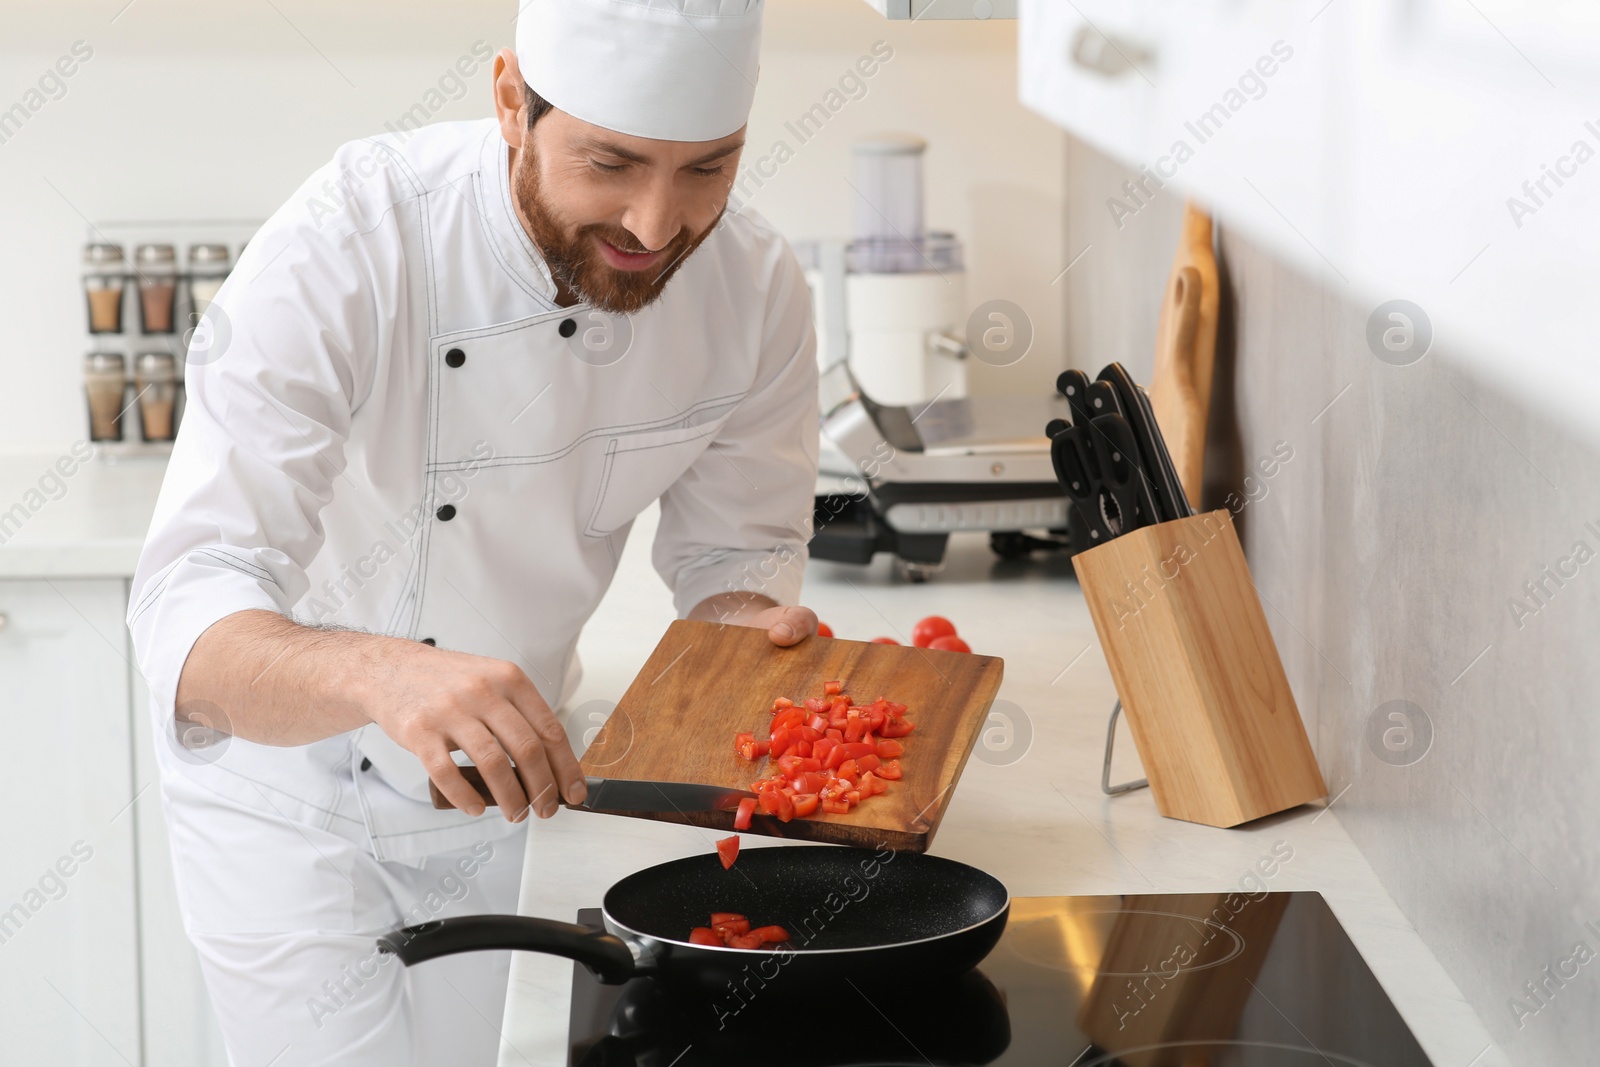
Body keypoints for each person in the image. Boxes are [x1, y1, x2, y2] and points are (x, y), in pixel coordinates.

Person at [127, 1, 819, 1062]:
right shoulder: (352, 242)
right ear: (509, 101)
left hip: (513, 786)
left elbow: (732, 562)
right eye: (609, 164)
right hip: (289, 803)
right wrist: (384, 676)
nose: (652, 224)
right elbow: (187, 615)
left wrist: (752, 627)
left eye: (706, 170)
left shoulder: (757, 288)